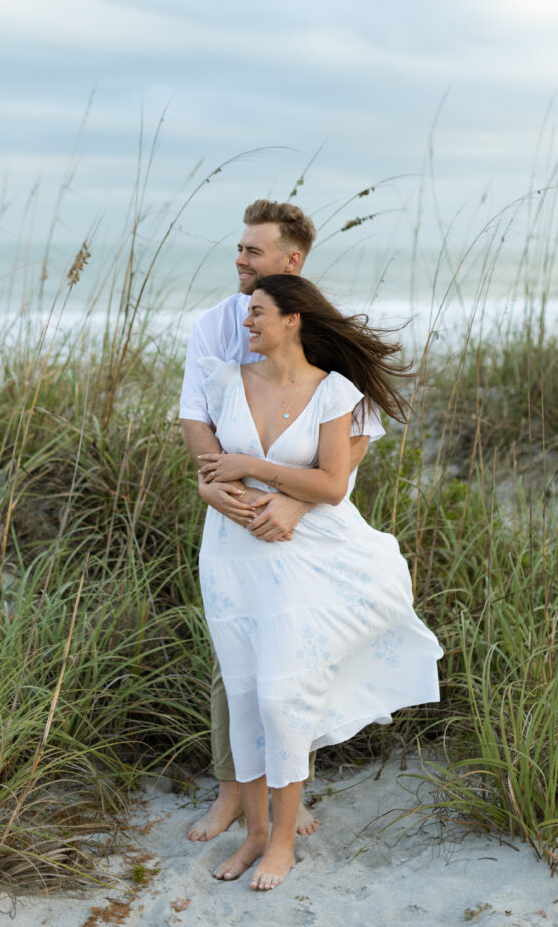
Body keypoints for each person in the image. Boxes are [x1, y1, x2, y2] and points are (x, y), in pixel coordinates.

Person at [196, 274, 443, 890]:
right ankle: (253, 834)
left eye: (256, 312)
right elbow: (208, 472)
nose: (244, 322)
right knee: (248, 697)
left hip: (306, 555)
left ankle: (281, 841)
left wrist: (252, 466)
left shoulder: (336, 393)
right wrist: (213, 486)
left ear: (293, 319)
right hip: (230, 557)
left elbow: (332, 484)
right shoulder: (226, 380)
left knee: (283, 700)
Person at [179, 200, 383, 842]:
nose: (239, 260)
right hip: (236, 515)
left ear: (291, 260)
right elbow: (194, 416)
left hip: (304, 520)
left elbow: (360, 432)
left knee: (297, 655)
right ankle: (233, 795)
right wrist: (216, 483)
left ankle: (284, 793)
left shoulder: (312, 328)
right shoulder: (217, 325)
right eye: (239, 249)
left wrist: (300, 500)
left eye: (253, 251)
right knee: (234, 662)